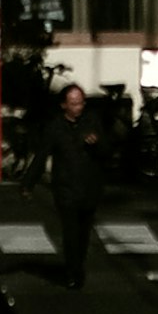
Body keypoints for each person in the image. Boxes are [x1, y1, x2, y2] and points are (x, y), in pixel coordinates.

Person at [41, 72, 105, 293]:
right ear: (64, 106)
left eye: (81, 102)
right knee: (70, 233)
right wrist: (27, 184)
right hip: (66, 189)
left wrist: (96, 144)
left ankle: (78, 265)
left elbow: (107, 149)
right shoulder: (55, 127)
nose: (79, 107)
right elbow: (42, 155)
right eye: (74, 103)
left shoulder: (92, 121)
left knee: (84, 234)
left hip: (89, 188)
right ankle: (72, 272)